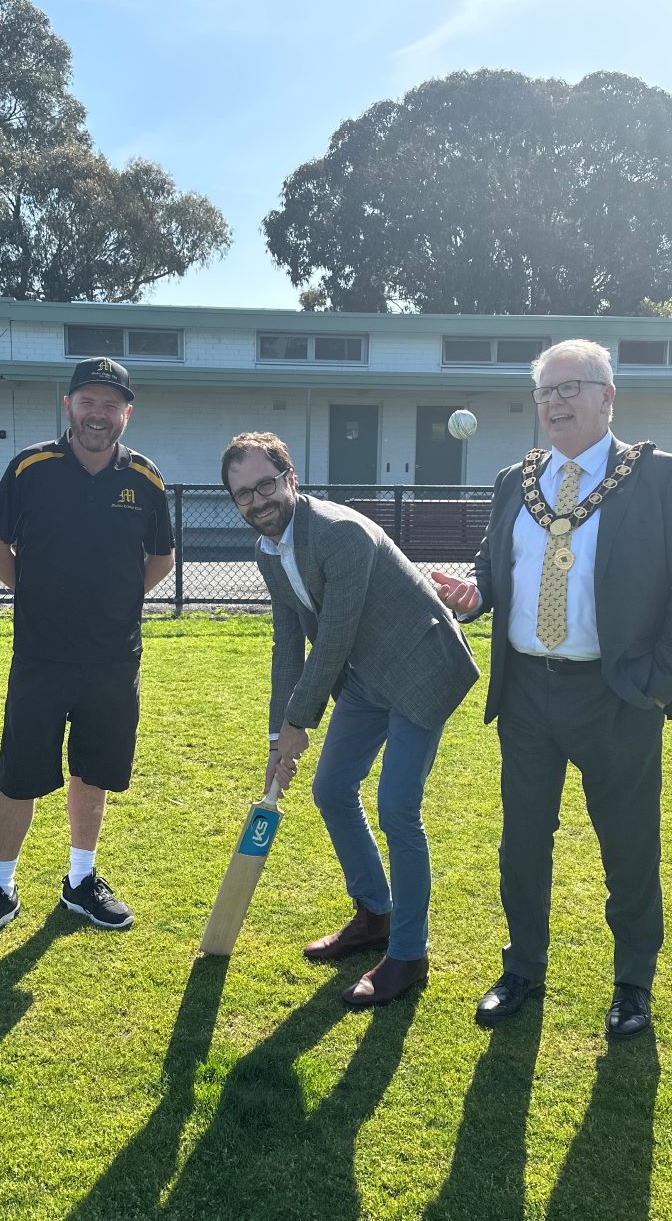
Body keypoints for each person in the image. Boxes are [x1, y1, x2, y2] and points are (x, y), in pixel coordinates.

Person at [430, 338, 672, 1037]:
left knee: (628, 845)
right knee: (522, 843)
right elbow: (497, 568)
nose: (555, 403)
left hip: (618, 697)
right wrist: (476, 594)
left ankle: (632, 984)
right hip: (527, 693)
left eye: (571, 388)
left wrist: (655, 685)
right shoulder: (516, 480)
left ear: (607, 397)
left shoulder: (661, 478)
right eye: (545, 392)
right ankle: (522, 967)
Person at [223, 431, 479, 1007]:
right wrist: (277, 736)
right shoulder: (267, 550)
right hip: (366, 675)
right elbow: (287, 643)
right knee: (333, 790)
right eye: (243, 494)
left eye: (266, 484)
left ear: (290, 478)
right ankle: (375, 915)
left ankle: (409, 955)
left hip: (419, 664)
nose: (257, 501)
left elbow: (332, 639)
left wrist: (300, 723)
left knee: (397, 807)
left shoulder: (340, 533)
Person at [0, 357, 174, 948]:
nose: (98, 414)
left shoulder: (145, 477)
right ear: (69, 406)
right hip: (42, 655)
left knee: (92, 768)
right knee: (19, 773)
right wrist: (35, 591)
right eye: (88, 401)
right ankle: (0, 888)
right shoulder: (31, 466)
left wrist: (117, 601)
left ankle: (81, 880)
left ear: (127, 413)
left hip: (112, 657)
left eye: (111, 404)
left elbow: (161, 557)